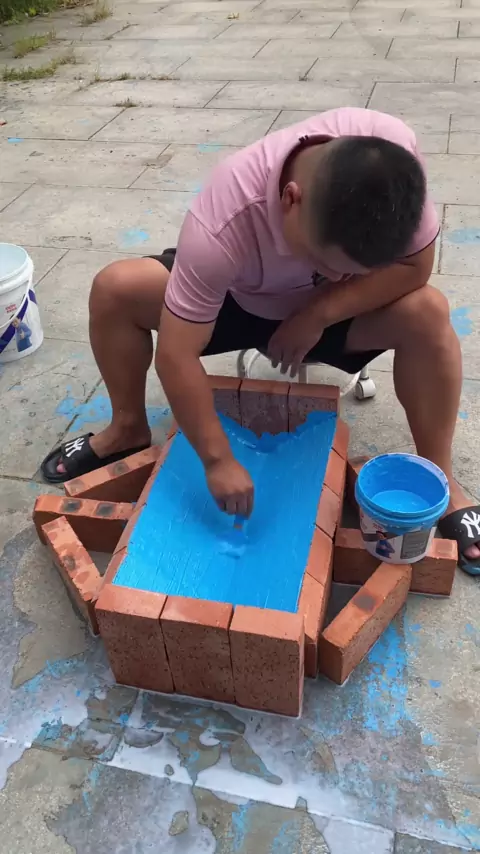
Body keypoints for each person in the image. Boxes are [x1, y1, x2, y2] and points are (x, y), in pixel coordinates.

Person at [40, 107, 479, 576]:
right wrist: (217, 460)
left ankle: (441, 480)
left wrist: (320, 309)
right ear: (290, 199)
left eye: (350, 269)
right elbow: (176, 354)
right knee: (116, 289)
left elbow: (415, 267)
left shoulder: (393, 170)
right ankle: (127, 428)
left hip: (332, 314)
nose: (333, 274)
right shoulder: (222, 222)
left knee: (429, 314)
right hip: (235, 301)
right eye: (322, 261)